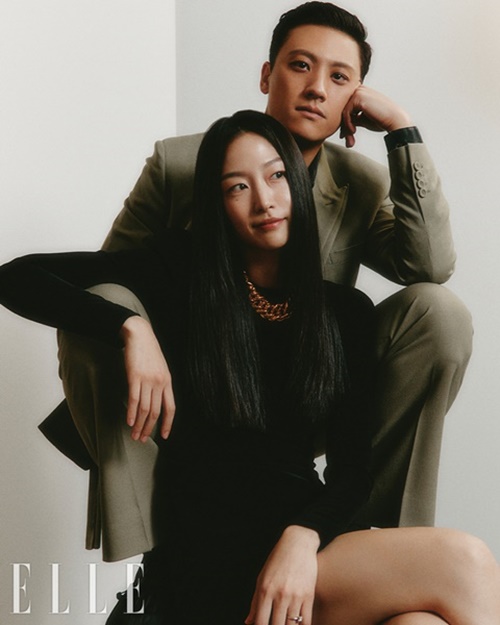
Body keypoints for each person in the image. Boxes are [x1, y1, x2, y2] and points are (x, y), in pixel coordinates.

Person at [0, 110, 498, 625]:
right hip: (212, 552)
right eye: (238, 187)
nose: (264, 200)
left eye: (277, 175)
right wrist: (130, 327)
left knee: (420, 624)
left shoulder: (343, 313)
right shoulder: (179, 273)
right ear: (217, 203)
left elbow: (352, 475)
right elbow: (17, 277)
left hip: (301, 546)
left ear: (297, 182)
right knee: (467, 563)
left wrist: (302, 538)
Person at [39, 1, 472, 562]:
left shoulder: (359, 184)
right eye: (300, 65)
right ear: (267, 75)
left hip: (303, 397)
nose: (317, 89)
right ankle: (157, 551)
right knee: (108, 303)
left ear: (354, 100)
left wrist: (402, 130)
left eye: (339, 77)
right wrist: (132, 328)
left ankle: (369, 539)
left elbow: (429, 266)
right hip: (191, 401)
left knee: (440, 313)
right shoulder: (180, 165)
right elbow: (100, 280)